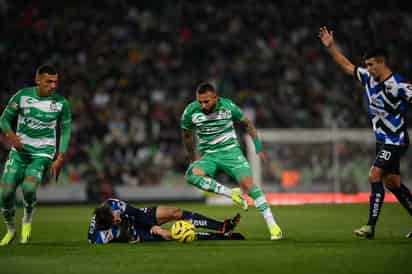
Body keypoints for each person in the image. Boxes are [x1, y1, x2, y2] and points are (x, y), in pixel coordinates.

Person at [319, 26, 412, 239]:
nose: (367, 68)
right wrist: (331, 47)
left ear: (381, 62)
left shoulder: (398, 85)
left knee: (374, 175)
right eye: (366, 65)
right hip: (382, 141)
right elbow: (345, 65)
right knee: (393, 184)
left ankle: (370, 227)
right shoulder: (368, 79)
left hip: (395, 140)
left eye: (371, 64)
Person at [180, 82, 282, 240]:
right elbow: (187, 136)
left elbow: (247, 124)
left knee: (248, 185)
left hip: (231, 152)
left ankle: (272, 225)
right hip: (209, 155)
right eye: (200, 101)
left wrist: (258, 147)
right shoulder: (190, 112)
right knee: (191, 175)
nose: (202, 105)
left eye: (206, 101)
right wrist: (193, 159)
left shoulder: (228, 106)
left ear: (215, 97)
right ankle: (230, 193)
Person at [0, 65, 71, 245]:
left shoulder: (61, 103)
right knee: (6, 194)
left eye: (56, 82)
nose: (53, 85)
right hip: (19, 153)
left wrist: (60, 156)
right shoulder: (22, 96)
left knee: (29, 188)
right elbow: (4, 119)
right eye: (49, 81)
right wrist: (12, 137)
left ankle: (27, 220)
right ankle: (10, 229)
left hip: (43, 153)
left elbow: (65, 130)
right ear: (37, 80)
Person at [88, 198, 244, 244]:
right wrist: (155, 232)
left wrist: (155, 226)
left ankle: (223, 227)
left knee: (174, 212)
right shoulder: (98, 238)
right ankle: (222, 237)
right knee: (173, 235)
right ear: (108, 225)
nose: (118, 218)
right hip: (137, 233)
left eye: (116, 216)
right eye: (115, 221)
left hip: (137, 219)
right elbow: (128, 238)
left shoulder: (113, 205)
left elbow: (136, 213)